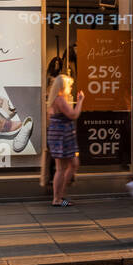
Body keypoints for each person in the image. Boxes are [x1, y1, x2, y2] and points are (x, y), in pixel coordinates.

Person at [46, 73, 83, 207]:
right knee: (61, 168)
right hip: (61, 136)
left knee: (73, 164)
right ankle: (57, 199)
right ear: (63, 86)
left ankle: (61, 196)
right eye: (70, 85)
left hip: (62, 135)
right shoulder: (59, 99)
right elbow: (73, 115)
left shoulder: (56, 99)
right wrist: (80, 101)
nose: (71, 87)